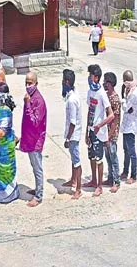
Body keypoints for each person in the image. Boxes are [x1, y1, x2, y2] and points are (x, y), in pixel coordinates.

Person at [84, 64, 115, 196]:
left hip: (99, 133)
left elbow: (111, 115)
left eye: (90, 75)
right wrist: (87, 130)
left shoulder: (102, 94)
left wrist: (99, 126)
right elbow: (89, 111)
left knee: (98, 159)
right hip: (91, 130)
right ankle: (94, 180)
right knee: (91, 156)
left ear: (96, 77)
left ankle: (100, 186)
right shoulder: (90, 92)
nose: (88, 77)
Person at [19, 72, 48, 207]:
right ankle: (37, 188)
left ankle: (39, 195)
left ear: (36, 83)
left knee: (37, 168)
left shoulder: (38, 100)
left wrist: (28, 104)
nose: (27, 85)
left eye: (30, 83)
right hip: (29, 139)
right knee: (34, 166)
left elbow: (35, 122)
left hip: (36, 140)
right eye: (26, 82)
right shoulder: (30, 97)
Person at [62, 69, 83, 199]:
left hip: (73, 135)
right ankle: (73, 180)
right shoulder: (73, 94)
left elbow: (73, 122)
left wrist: (68, 139)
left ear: (67, 82)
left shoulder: (71, 100)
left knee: (76, 161)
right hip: (74, 133)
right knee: (73, 159)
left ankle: (78, 189)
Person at [119, 70, 137, 184]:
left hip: (131, 126)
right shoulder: (129, 90)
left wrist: (123, 100)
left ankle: (134, 175)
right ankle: (125, 171)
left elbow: (126, 108)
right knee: (125, 150)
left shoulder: (134, 93)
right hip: (126, 124)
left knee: (132, 152)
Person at [102, 72, 121, 193]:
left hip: (111, 134)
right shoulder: (107, 96)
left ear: (109, 83)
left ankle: (116, 181)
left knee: (113, 157)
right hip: (106, 132)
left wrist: (109, 136)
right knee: (107, 156)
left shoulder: (115, 99)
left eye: (105, 82)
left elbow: (115, 120)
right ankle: (110, 178)